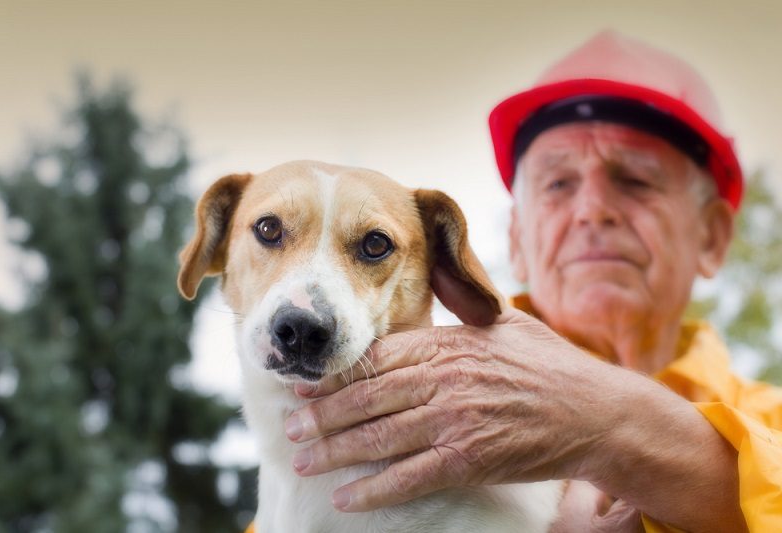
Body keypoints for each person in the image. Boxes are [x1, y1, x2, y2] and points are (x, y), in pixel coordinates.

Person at [282, 31, 782, 531]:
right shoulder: (359, 400)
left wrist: (612, 426)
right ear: (516, 239)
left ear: (713, 237)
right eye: (558, 183)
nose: (591, 210)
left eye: (635, 179)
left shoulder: (772, 421)